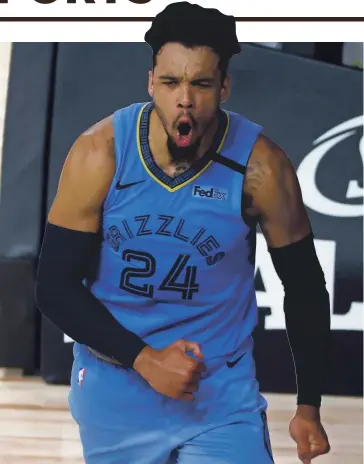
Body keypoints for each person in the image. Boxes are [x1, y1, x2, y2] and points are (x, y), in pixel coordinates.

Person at [35, 2, 331, 463]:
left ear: (225, 87)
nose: (185, 100)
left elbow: (306, 287)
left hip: (218, 396)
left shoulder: (260, 168)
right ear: (151, 82)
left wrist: (309, 403)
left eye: (201, 83)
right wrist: (144, 359)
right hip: (116, 387)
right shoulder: (102, 153)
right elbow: (53, 287)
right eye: (171, 83)